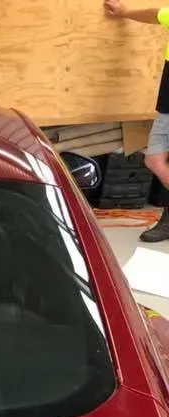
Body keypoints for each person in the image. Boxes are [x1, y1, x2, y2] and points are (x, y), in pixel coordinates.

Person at [104, 1, 169, 242]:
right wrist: (124, 13)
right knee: (155, 160)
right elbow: (155, 14)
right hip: (166, 106)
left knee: (156, 160)